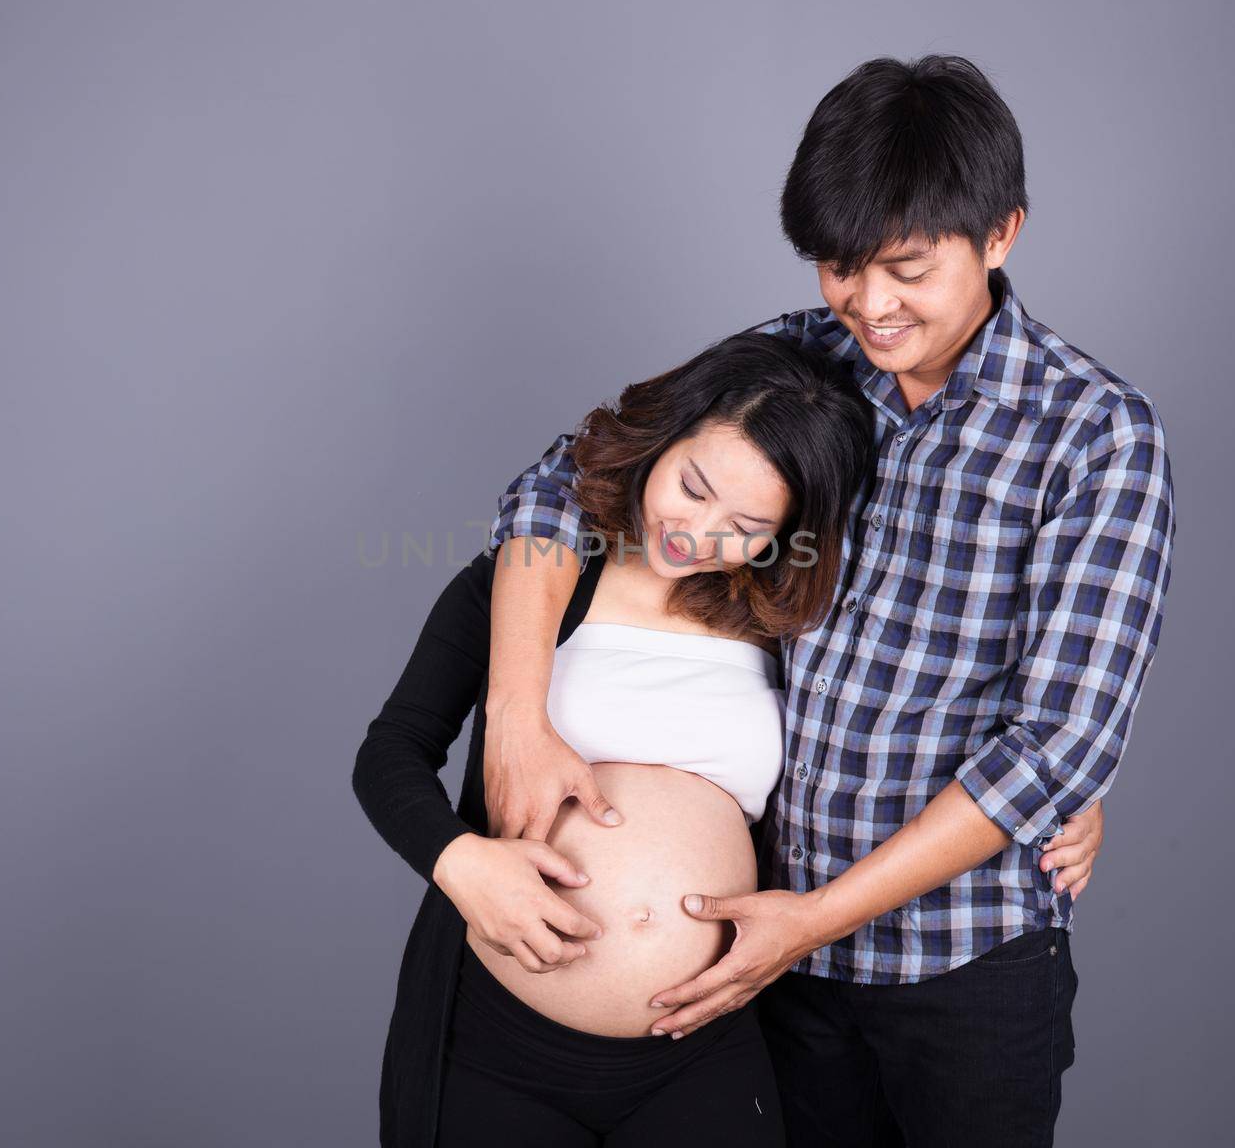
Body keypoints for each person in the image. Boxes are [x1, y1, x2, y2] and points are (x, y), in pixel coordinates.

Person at [481, 54, 1174, 1148]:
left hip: (963, 962)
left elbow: (1060, 740)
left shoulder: (1094, 435)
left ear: (1001, 234)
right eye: (840, 268)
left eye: (905, 267)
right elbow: (565, 483)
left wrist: (814, 920)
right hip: (769, 960)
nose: (870, 303)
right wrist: (515, 719)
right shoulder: (805, 361)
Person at [351, 331, 1109, 1147]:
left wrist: (1074, 789)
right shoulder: (537, 584)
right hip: (501, 1043)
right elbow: (391, 751)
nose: (697, 532)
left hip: (702, 1048)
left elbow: (931, 712)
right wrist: (464, 865)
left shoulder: (787, 633)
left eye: (745, 524)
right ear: (663, 440)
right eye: (693, 486)